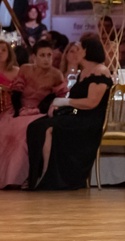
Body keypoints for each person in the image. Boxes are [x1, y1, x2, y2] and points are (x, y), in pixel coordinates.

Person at [24, 35, 105, 190]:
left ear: (87, 51)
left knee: (47, 128)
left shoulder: (100, 71)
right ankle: (37, 175)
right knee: (35, 126)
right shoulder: (84, 72)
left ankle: (47, 174)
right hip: (77, 115)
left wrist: (65, 102)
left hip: (89, 120)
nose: (76, 53)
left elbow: (92, 102)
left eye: (79, 49)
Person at [0, 40, 65, 189]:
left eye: (49, 55)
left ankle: (23, 177)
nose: (46, 59)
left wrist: (46, 105)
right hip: (19, 110)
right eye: (42, 55)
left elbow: (60, 98)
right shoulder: (25, 69)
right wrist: (18, 111)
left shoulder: (56, 75)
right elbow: (16, 92)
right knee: (4, 129)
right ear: (34, 57)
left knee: (23, 134)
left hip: (39, 112)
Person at [0, 40, 18, 112]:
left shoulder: (17, 71)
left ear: (9, 54)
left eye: (3, 50)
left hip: (11, 110)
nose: (0, 52)